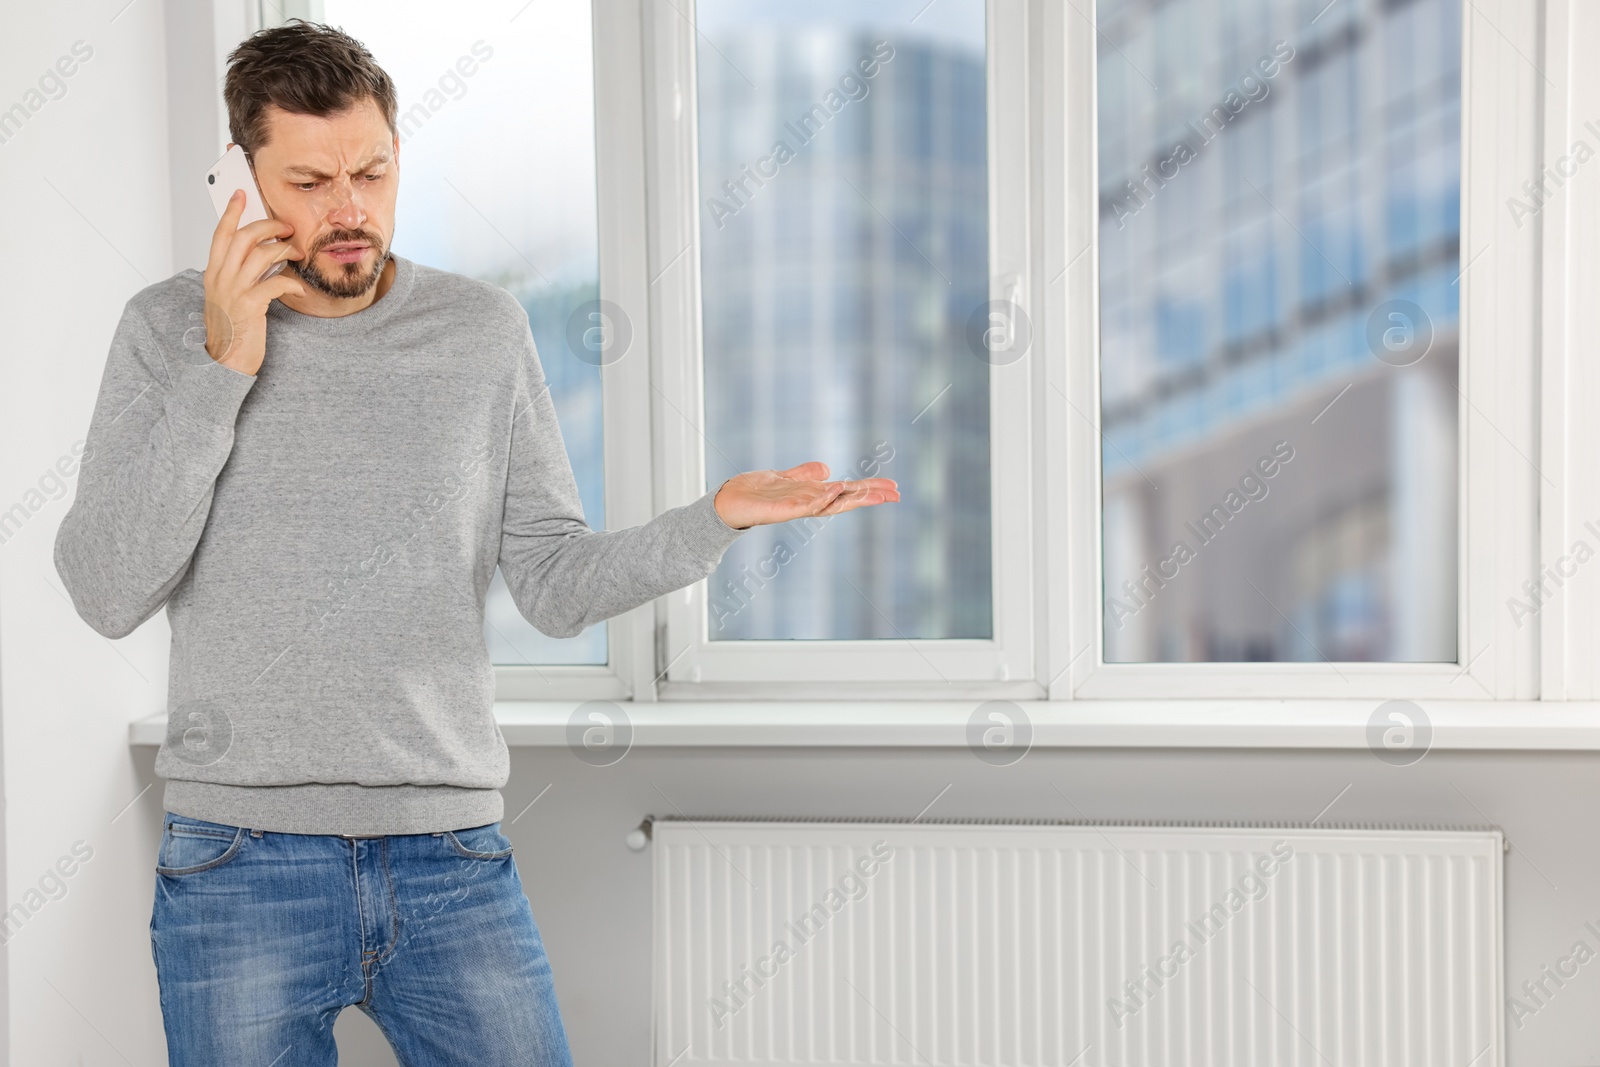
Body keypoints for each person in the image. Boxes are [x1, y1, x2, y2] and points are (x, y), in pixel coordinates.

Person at [52, 20, 897, 1066]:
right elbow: (104, 587)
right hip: (236, 861)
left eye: (372, 168)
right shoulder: (164, 330)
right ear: (239, 179)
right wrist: (225, 364)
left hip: (448, 854)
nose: (350, 208)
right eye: (310, 181)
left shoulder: (482, 329)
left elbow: (549, 581)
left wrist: (709, 519)